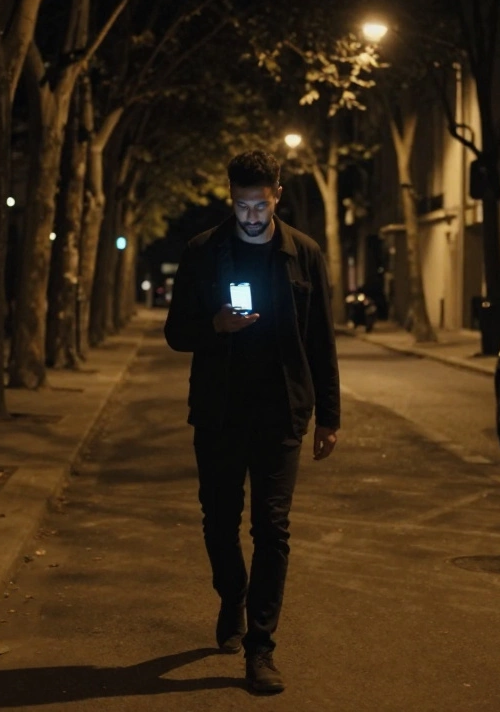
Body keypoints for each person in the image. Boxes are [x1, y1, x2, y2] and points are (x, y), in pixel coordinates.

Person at [164, 150, 341, 695]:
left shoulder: (304, 254)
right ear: (230, 198)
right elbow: (176, 332)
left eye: (259, 205)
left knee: (273, 529)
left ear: (277, 195)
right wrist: (215, 325)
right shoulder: (203, 252)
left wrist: (329, 417)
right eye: (241, 205)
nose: (250, 216)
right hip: (219, 413)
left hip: (281, 412)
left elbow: (321, 341)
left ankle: (261, 648)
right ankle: (232, 595)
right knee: (219, 521)